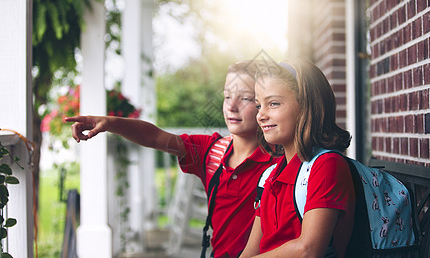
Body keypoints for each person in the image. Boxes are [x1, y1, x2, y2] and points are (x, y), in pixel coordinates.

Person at [66, 61, 278, 258]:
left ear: (263, 104)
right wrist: (109, 123)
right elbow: (155, 136)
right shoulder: (210, 151)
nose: (232, 106)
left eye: (245, 98)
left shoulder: (279, 160)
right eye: (227, 96)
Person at [240, 59, 355, 258]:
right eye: (259, 106)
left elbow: (308, 250)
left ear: (307, 107)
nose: (261, 115)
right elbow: (251, 251)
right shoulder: (270, 176)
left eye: (273, 103)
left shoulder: (327, 166)